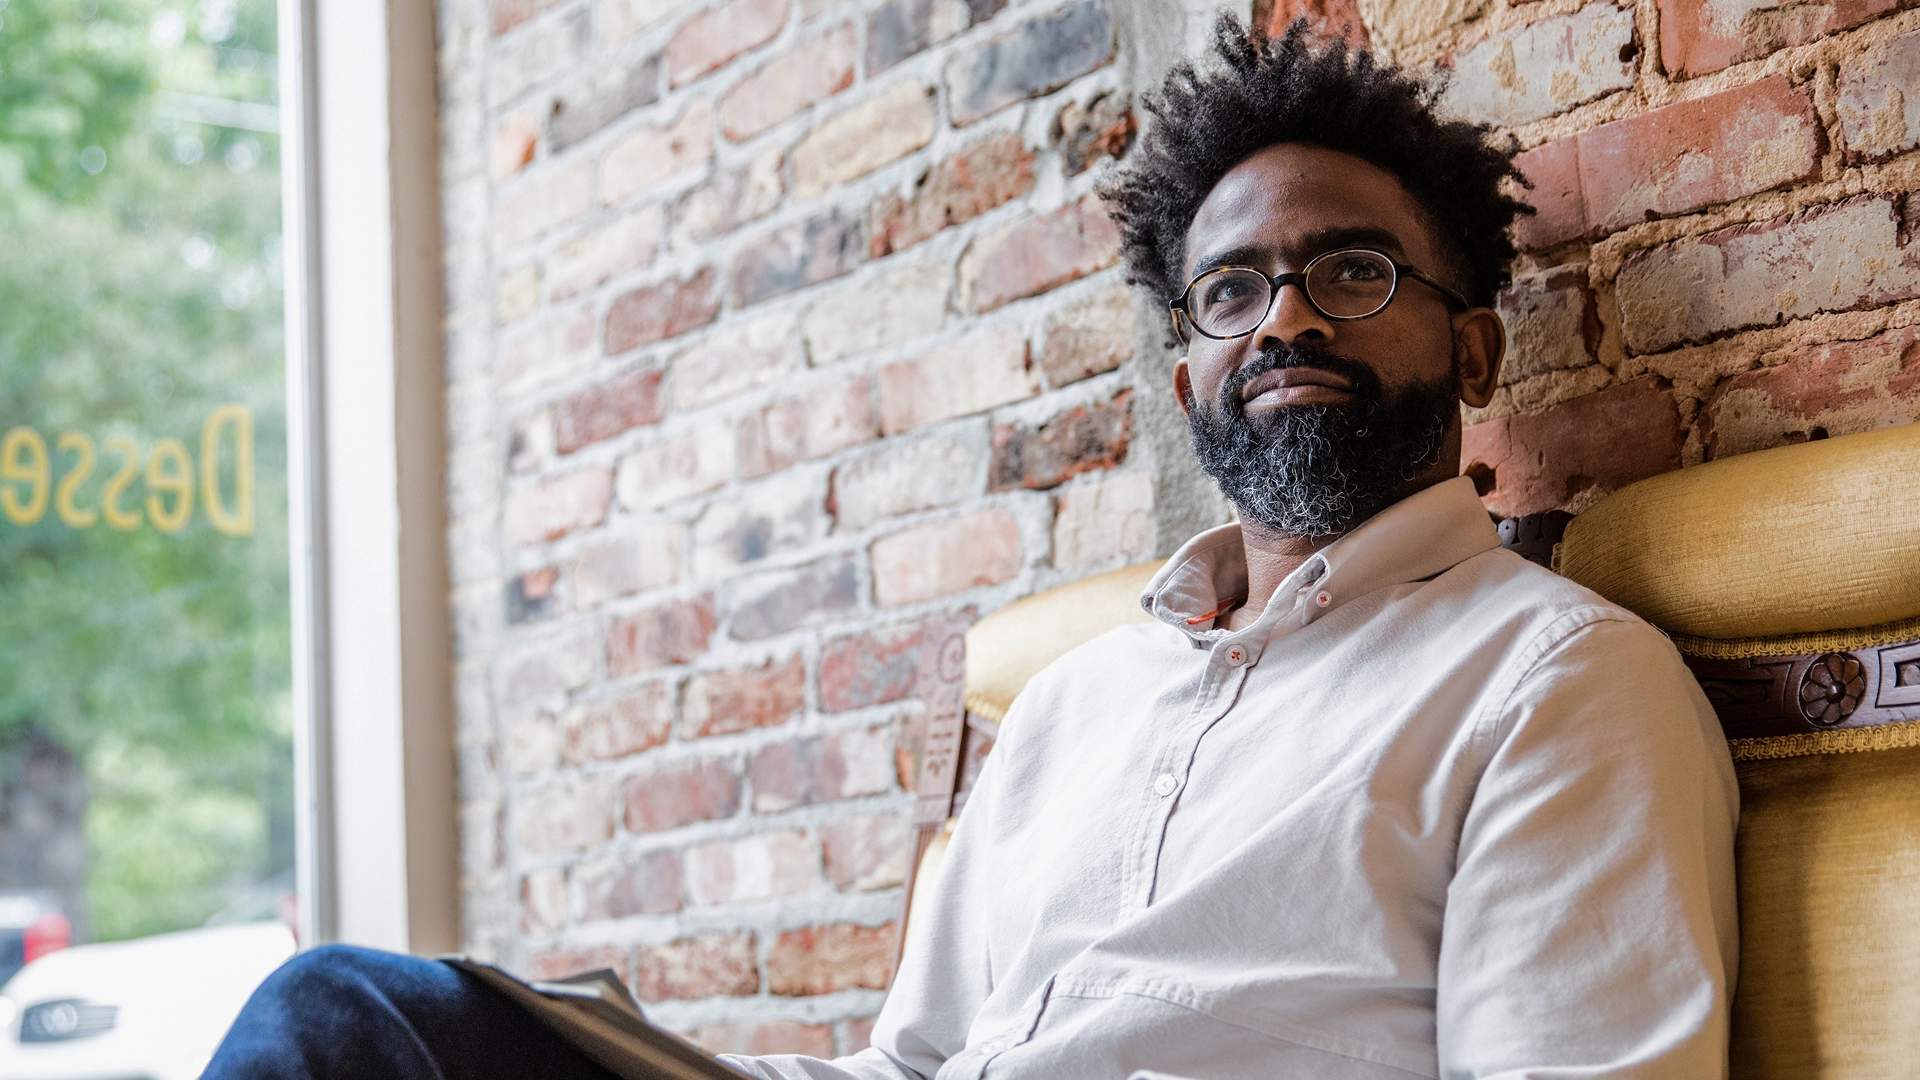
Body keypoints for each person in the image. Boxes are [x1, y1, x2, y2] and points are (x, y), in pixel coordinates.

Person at [204, 17, 1737, 1080]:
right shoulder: (1078, 701)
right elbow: (919, 1059)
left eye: (1350, 272)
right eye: (1230, 292)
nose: (1281, 318)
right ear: (1189, 368)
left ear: (1471, 347)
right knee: (362, 1025)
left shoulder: (1554, 685)